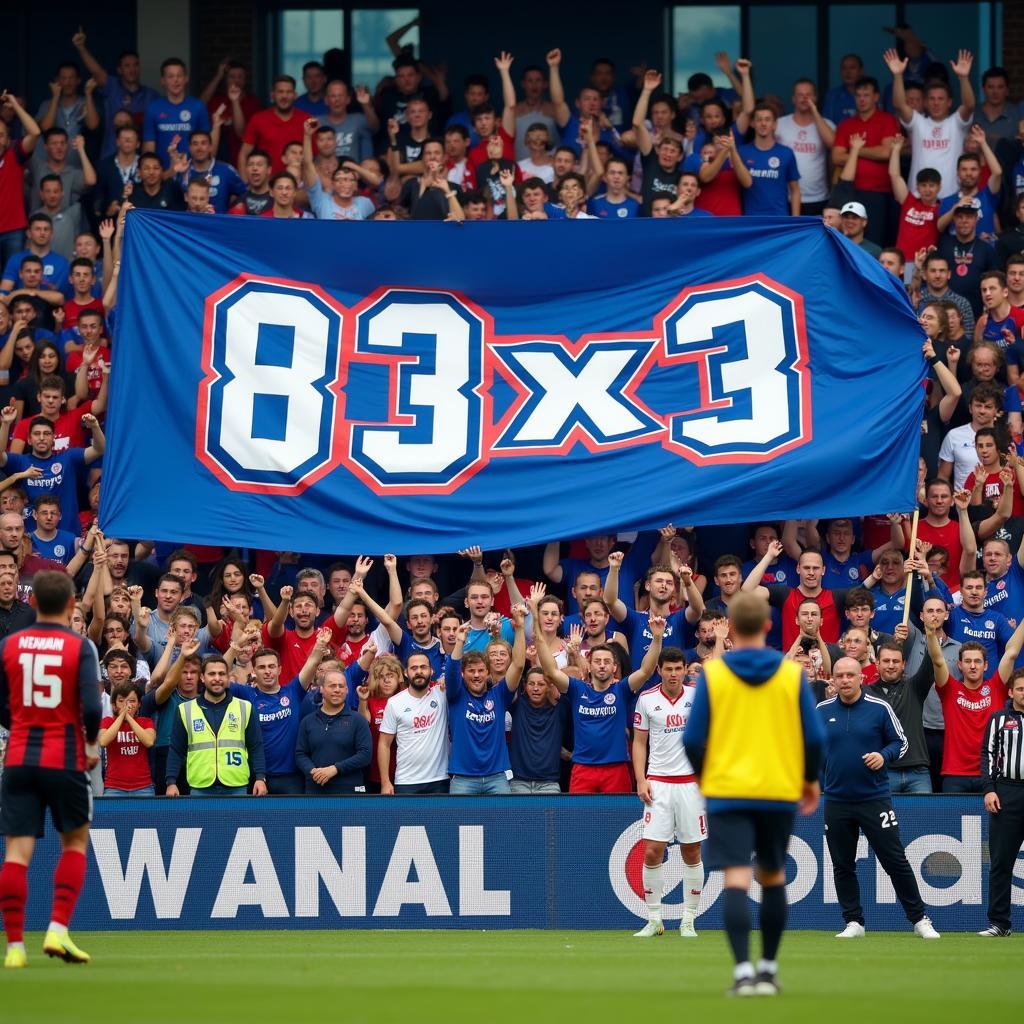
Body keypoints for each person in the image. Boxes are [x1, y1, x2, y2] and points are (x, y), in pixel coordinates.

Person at [683, 593, 824, 997]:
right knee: (773, 875)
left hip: (728, 790)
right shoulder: (790, 675)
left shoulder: (714, 675)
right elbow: (813, 738)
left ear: (729, 629)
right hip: (777, 789)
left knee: (737, 880)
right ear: (766, 626)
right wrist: (809, 780)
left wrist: (705, 776)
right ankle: (769, 969)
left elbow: (693, 739)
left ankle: (743, 972)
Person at [0, 571, 101, 967]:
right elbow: (92, 708)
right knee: (74, 843)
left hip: (20, 757)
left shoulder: (9, 645)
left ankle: (14, 949)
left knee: (16, 854)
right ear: (72, 604)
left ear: (35, 603)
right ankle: (57, 930)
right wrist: (91, 744)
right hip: (65, 758)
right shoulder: (79, 646)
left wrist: (18, 725)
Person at [817, 657, 940, 939]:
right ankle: (853, 922)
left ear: (862, 677)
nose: (845, 680)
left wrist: (883, 756)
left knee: (895, 860)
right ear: (832, 679)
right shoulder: (821, 711)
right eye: (840, 676)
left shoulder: (879, 708)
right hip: (836, 800)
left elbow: (901, 742)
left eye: (851, 675)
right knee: (842, 864)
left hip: (874, 798)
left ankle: (920, 919)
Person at [534, 584, 665, 794]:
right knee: (580, 824)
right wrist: (535, 620)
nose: (602, 665)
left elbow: (647, 670)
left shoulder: (621, 690)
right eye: (597, 661)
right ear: (589, 664)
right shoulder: (577, 689)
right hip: (583, 769)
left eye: (607, 661)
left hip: (616, 768)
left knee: (617, 825)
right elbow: (549, 670)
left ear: (614, 667)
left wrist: (657, 638)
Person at [632, 646, 706, 939]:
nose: (673, 674)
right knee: (652, 850)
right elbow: (639, 743)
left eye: (678, 669)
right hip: (658, 782)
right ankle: (654, 919)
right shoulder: (647, 699)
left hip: (691, 784)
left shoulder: (697, 697)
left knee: (692, 850)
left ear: (686, 669)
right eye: (668, 669)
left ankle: (688, 919)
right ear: (660, 670)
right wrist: (640, 779)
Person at [444, 606, 526, 794]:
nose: (476, 675)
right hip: (463, 778)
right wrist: (460, 641)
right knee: (460, 823)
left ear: (488, 672)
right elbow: (451, 669)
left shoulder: (499, 695)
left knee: (501, 824)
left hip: (497, 777)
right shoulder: (456, 696)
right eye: (471, 671)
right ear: (463, 674)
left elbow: (519, 665)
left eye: (481, 670)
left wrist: (520, 628)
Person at [164, 655, 267, 797]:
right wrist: (171, 782)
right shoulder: (185, 710)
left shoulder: (245, 708)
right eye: (212, 674)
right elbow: (176, 750)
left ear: (228, 677)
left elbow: (256, 746)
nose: (217, 678)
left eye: (221, 674)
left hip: (236, 786)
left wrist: (260, 778)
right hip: (200, 787)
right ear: (202, 677)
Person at [885, 47, 974, 199]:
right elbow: (900, 105)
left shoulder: (956, 123)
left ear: (949, 102)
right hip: (918, 198)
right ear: (925, 102)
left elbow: (969, 105)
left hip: (950, 197)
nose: (936, 103)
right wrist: (898, 75)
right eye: (931, 99)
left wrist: (963, 78)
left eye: (941, 99)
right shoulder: (917, 123)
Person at [979, 668, 1024, 937]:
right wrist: (989, 790)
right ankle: (999, 923)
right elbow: (987, 755)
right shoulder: (998, 719)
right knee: (1001, 861)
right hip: (1007, 792)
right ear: (1010, 692)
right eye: (1020, 688)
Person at [377, 653, 449, 795]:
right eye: (414, 668)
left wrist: (447, 680)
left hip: (439, 779)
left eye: (423, 667)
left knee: (440, 819)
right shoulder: (394, 703)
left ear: (432, 671)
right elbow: (384, 744)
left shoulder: (442, 694)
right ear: (405, 672)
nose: (419, 672)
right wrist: (385, 782)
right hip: (406, 781)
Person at [295, 666, 372, 793]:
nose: (337, 690)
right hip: (316, 787)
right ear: (321, 689)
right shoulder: (308, 721)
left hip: (350, 791)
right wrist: (313, 771)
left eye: (341, 686)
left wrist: (335, 769)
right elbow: (300, 754)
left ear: (347, 690)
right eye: (332, 686)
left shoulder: (358, 720)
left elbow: (365, 755)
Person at [775, 79, 834, 215]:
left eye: (808, 94)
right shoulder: (779, 124)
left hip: (819, 197)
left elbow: (832, 144)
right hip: (787, 197)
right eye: (800, 95)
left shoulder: (826, 124)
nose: (804, 98)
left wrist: (814, 111)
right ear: (793, 99)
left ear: (815, 98)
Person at [98, 680, 155, 795]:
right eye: (121, 701)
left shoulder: (146, 722)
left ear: (139, 704)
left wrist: (129, 718)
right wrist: (122, 715)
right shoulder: (107, 722)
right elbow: (103, 741)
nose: (127, 705)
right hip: (114, 787)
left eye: (132, 701)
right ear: (114, 705)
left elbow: (149, 742)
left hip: (143, 787)